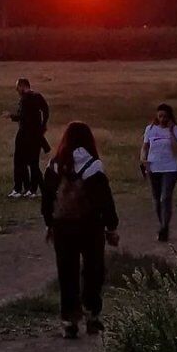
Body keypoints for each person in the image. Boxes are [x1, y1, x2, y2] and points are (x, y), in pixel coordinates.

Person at [42, 122, 119, 340]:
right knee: (93, 270)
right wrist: (111, 226)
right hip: (90, 225)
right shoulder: (93, 165)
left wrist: (49, 223)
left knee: (67, 272)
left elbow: (47, 197)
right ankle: (92, 314)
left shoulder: (55, 164)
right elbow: (105, 200)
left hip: (62, 226)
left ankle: (69, 320)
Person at [141, 103, 177, 242]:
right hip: (154, 168)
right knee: (157, 199)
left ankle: (165, 226)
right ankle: (162, 224)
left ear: (170, 117)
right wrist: (143, 159)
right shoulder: (150, 129)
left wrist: (171, 131)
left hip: (170, 168)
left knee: (165, 197)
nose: (162, 119)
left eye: (165, 116)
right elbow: (145, 146)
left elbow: (176, 149)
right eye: (160, 116)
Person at [5, 77, 49, 199]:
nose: (16, 90)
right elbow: (46, 110)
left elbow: (23, 116)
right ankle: (33, 189)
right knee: (33, 162)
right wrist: (43, 125)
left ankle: (19, 188)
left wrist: (11, 116)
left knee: (19, 161)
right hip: (36, 135)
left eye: (17, 87)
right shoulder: (37, 96)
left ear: (23, 86)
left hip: (24, 134)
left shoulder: (25, 99)